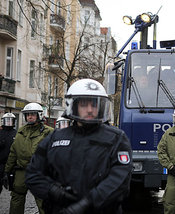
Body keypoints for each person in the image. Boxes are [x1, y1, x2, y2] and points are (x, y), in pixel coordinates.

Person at [25, 78, 133, 214]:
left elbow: (120, 179)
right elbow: (33, 174)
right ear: (73, 106)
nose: (89, 110)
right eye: (84, 104)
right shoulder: (55, 138)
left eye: (94, 105)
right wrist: (55, 192)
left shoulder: (116, 138)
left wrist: (88, 203)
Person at [4, 103, 54, 214]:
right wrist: (7, 171)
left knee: (43, 201)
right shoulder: (21, 131)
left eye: (32, 114)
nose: (29, 117)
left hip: (40, 172)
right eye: (27, 115)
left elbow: (56, 153)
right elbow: (13, 152)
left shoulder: (49, 132)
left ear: (39, 115)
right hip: (21, 171)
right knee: (16, 199)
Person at [0, 113, 17, 194]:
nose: (9, 123)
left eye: (11, 120)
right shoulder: (0, 132)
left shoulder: (16, 133)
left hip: (12, 165)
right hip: (0, 163)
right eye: (7, 120)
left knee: (13, 187)